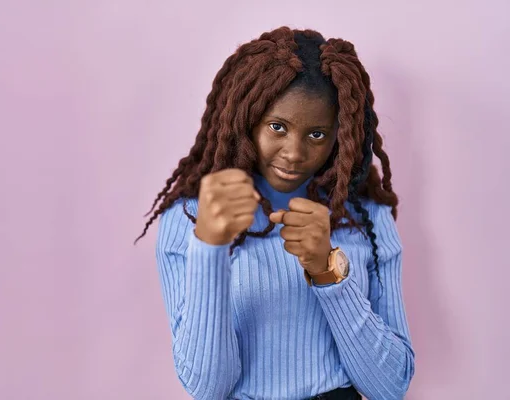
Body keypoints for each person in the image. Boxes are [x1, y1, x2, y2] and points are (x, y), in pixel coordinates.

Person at [136, 26, 415, 400]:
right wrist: (209, 248)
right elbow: (208, 389)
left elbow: (390, 387)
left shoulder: (365, 217)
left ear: (340, 136)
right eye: (277, 127)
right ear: (245, 119)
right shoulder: (189, 219)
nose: (295, 153)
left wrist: (327, 271)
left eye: (317, 134)